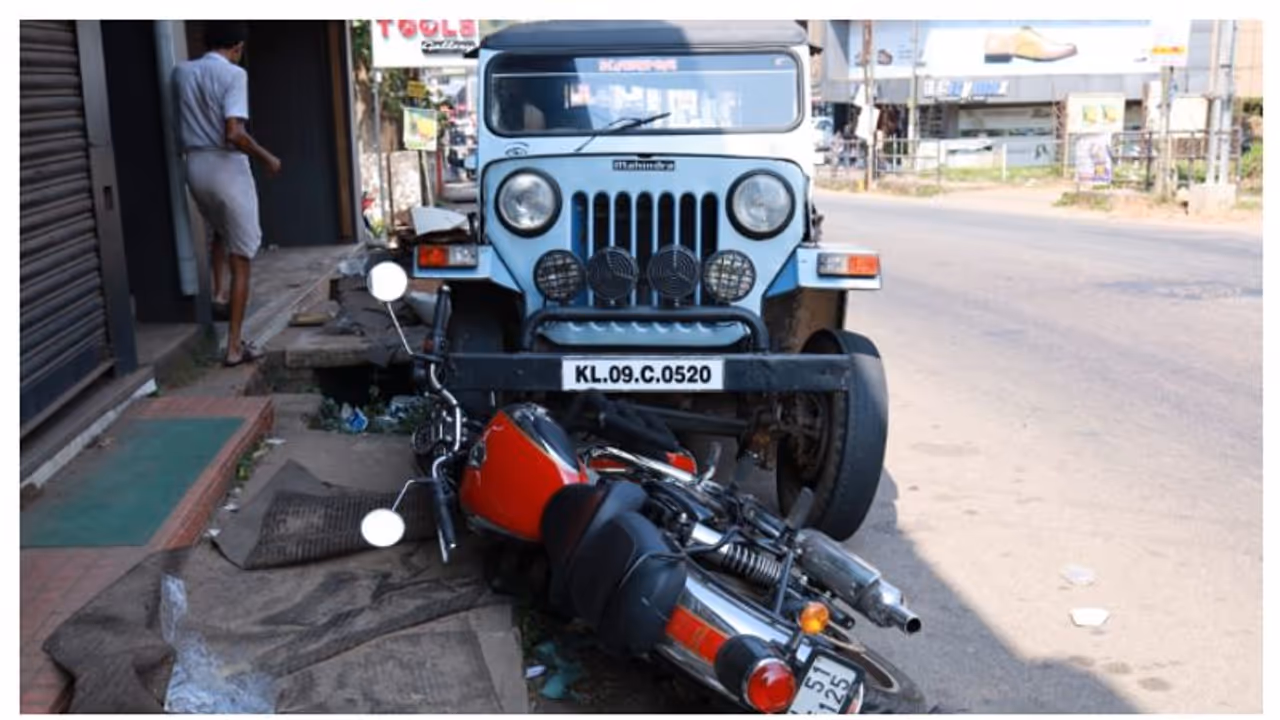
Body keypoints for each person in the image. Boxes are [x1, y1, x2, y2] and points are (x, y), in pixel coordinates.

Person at [173, 21, 281, 367]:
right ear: (237, 47)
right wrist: (267, 157)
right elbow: (234, 132)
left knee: (221, 231)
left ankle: (218, 293)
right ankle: (235, 347)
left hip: (195, 167)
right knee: (243, 257)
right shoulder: (235, 76)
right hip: (226, 167)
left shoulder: (181, 72)